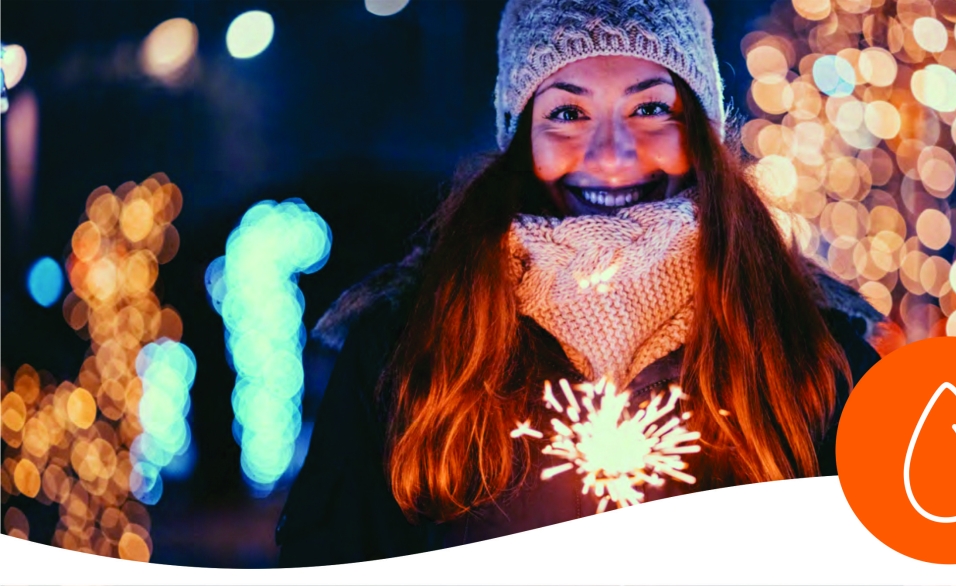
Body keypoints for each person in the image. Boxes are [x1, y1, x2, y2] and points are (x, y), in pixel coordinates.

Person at [275, 0, 882, 566]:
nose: (613, 154)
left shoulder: (813, 352)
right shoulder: (407, 350)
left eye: (651, 108)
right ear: (520, 138)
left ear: (701, 130)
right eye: (567, 113)